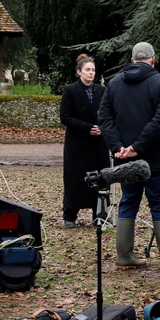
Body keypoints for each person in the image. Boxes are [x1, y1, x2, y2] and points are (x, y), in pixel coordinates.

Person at [98, 42, 160, 271]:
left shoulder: (114, 83)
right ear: (153, 60)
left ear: (133, 61)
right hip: (156, 156)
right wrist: (138, 147)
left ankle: (124, 255)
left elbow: (104, 118)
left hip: (125, 157)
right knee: (159, 204)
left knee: (128, 202)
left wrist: (118, 147)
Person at [59, 55, 109, 228]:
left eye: (93, 70)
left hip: (98, 142)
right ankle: (70, 215)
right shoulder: (70, 90)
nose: (91, 73)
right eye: (87, 69)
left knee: (100, 177)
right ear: (79, 72)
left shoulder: (101, 90)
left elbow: (107, 112)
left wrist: (102, 127)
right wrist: (87, 127)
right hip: (78, 143)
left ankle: (100, 214)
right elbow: (65, 116)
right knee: (75, 179)